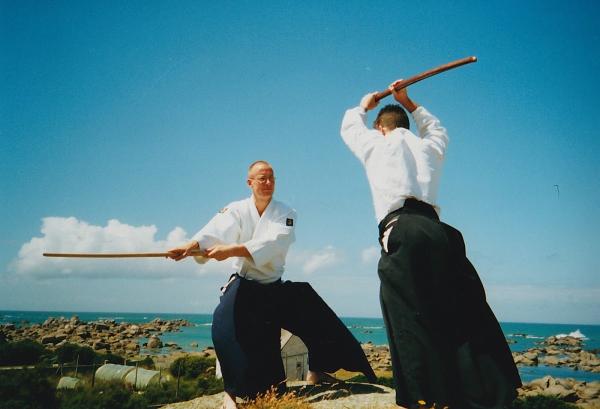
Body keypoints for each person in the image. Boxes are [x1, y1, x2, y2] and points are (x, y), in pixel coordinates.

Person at [340, 82, 521, 408]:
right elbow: (437, 128)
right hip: (442, 234)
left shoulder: (376, 144)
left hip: (403, 230)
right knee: (463, 313)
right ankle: (486, 395)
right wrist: (408, 101)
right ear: (406, 125)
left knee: (408, 316)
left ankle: (424, 398)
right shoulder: (429, 147)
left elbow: (349, 126)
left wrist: (364, 104)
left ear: (381, 128)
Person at [168, 160, 375, 409]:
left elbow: (275, 242)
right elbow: (214, 231)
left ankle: (317, 372)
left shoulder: (286, 212)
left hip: (274, 288)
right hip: (245, 287)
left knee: (317, 315)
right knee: (224, 327)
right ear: (250, 183)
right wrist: (190, 246)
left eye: (272, 179)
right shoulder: (236, 209)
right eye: (262, 178)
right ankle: (231, 394)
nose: (268, 183)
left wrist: (232, 250)